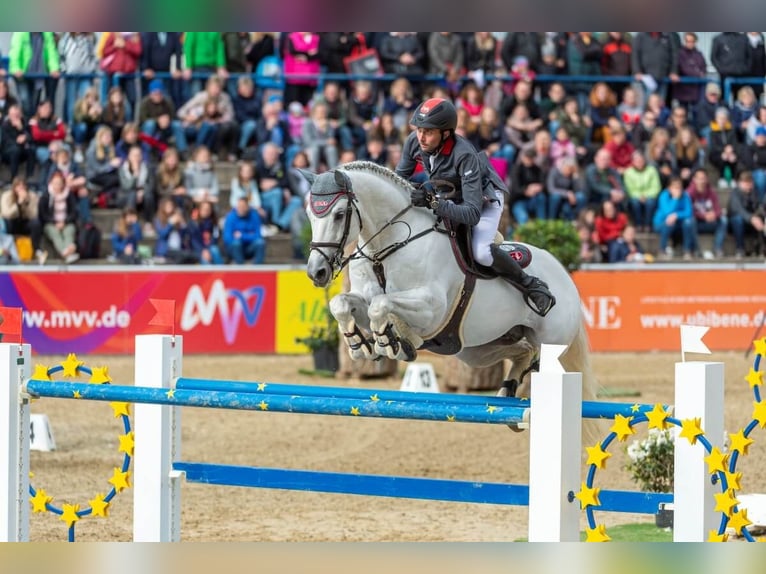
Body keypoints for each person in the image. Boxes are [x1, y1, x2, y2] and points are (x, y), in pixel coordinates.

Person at [396, 97, 554, 316]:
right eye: (419, 129)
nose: (421, 137)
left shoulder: (464, 155)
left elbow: (471, 214)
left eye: (428, 132)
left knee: (481, 253)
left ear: (445, 133)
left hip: (483, 199)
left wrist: (432, 202)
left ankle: (531, 285)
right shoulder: (415, 141)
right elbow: (399, 179)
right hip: (450, 194)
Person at [728, 170, 766, 258]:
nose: (748, 185)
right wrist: (751, 218)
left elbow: (759, 207)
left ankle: (760, 248)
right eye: (745, 182)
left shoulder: (755, 193)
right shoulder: (735, 193)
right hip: (736, 224)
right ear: (739, 183)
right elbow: (737, 209)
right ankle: (740, 248)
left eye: (750, 182)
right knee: (737, 219)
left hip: (753, 223)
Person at [223, 196, 266, 264]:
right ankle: (240, 269)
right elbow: (227, 238)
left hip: (250, 247)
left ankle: (258, 270)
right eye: (239, 206)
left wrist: (242, 236)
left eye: (243, 206)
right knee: (236, 243)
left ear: (248, 207)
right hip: (235, 248)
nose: (241, 209)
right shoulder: (230, 217)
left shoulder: (254, 216)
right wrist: (249, 236)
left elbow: (258, 235)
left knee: (260, 243)